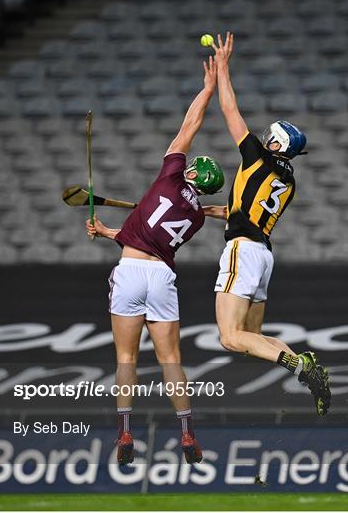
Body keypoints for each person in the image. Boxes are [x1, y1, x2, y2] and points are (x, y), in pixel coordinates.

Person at [86, 57, 225, 465]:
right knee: (171, 361)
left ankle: (125, 432)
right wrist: (111, 230)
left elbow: (190, 123)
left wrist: (208, 89)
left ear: (193, 175)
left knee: (126, 359)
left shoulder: (170, 175)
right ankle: (186, 434)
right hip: (161, 276)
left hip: (130, 271)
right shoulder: (197, 216)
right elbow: (152, 235)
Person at [211, 32, 331, 416]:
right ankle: (305, 368)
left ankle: (298, 365)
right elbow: (242, 210)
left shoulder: (257, 158)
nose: (264, 140)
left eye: (270, 139)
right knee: (252, 337)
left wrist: (223, 69)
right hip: (263, 253)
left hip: (243, 250)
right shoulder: (289, 181)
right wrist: (203, 210)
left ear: (276, 145)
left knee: (230, 338)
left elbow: (230, 111)